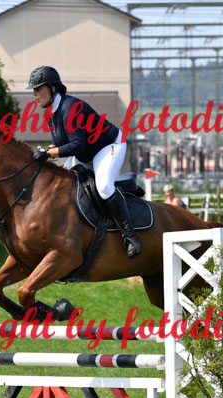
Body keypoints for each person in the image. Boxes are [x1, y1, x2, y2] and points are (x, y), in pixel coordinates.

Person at [27, 65, 142, 259]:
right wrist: (46, 151)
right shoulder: (51, 112)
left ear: (53, 88)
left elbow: (76, 145)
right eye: (34, 90)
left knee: (104, 187)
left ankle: (130, 237)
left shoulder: (71, 108)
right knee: (62, 184)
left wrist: (49, 154)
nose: (34, 94)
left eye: (38, 89)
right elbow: (62, 143)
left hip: (109, 146)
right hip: (85, 153)